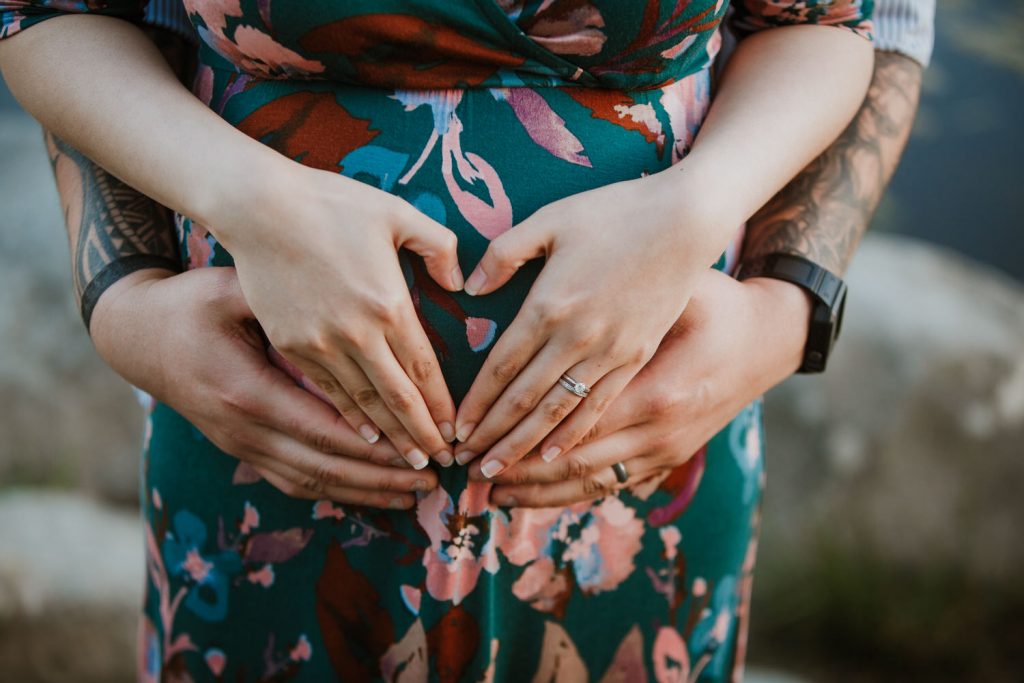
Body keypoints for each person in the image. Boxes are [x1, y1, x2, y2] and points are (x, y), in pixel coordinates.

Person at [0, 1, 897, 680]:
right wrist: (147, 281)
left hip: (642, 467)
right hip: (261, 465)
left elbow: (833, 19)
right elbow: (57, 10)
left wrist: (726, 243)